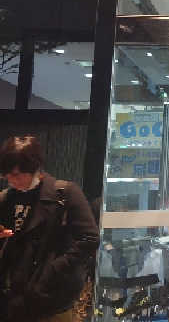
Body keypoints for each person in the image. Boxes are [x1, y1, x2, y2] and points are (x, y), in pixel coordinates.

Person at [0, 136, 99, 322]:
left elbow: (89, 238)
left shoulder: (64, 193)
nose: (11, 180)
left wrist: (53, 269)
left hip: (51, 299)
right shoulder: (7, 198)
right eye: (7, 175)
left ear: (34, 168)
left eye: (17, 175)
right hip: (12, 299)